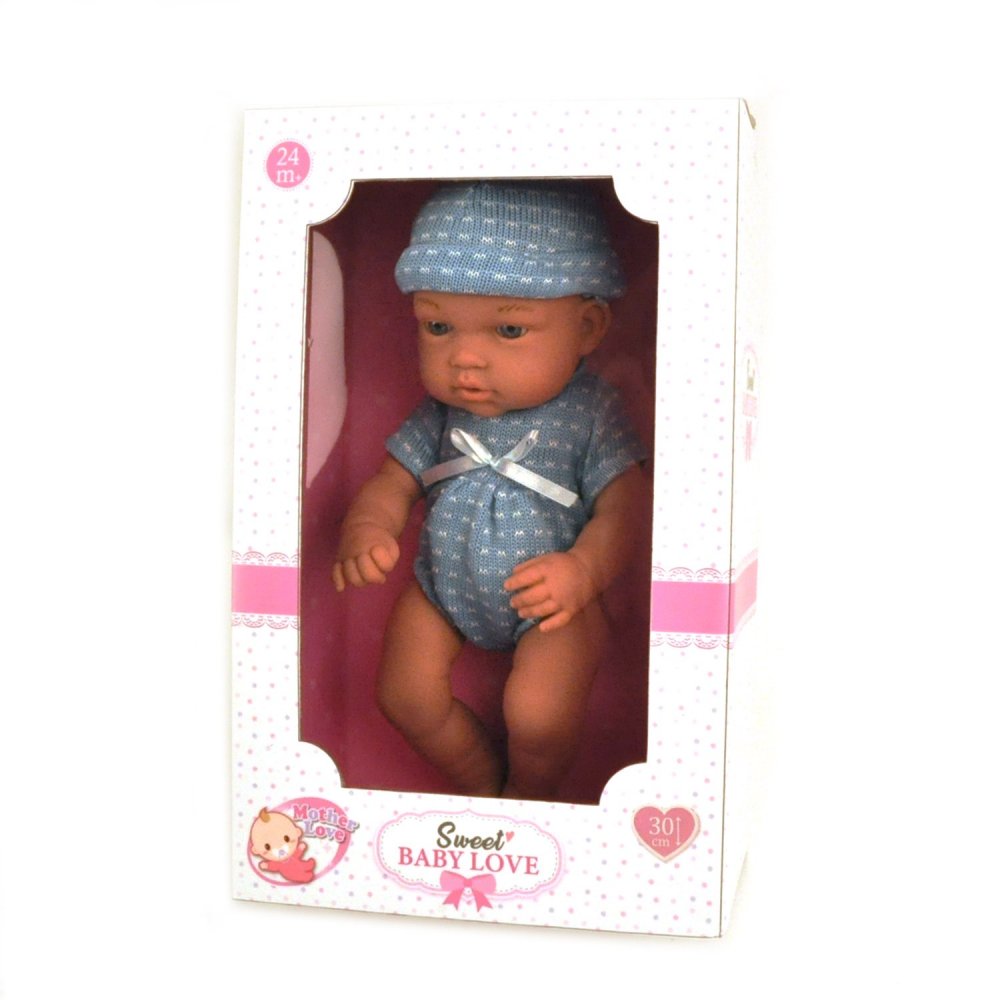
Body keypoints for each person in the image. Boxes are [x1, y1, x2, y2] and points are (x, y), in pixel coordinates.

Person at [333, 181, 646, 800]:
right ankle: (482, 783)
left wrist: (584, 571)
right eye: (439, 326)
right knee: (404, 696)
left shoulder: (590, 413)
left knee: (540, 716)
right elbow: (392, 481)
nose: (465, 359)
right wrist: (367, 527)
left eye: (508, 330)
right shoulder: (440, 415)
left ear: (587, 327)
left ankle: (530, 796)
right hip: (441, 588)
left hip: (551, 603)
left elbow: (627, 504)